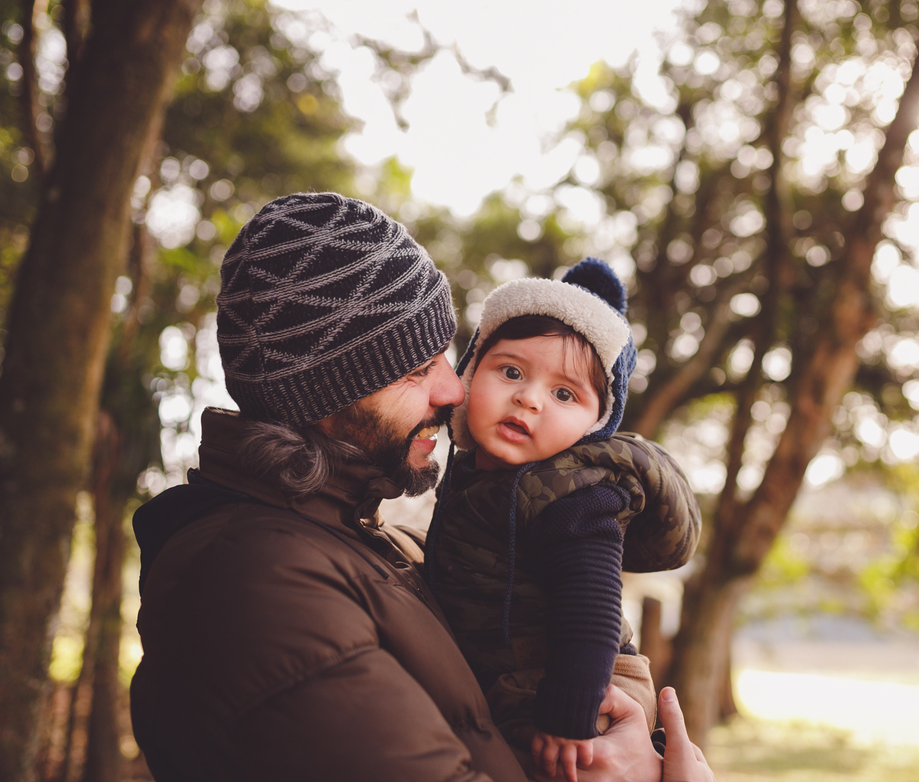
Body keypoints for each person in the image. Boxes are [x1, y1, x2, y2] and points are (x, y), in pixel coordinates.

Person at [129, 191, 713, 782]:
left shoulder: (369, 540)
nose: (453, 392)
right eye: (417, 370)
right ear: (327, 390)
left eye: (447, 359)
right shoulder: (255, 578)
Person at [427, 258, 700, 781]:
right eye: (511, 372)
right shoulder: (469, 479)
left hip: (585, 685)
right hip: (529, 678)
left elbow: (592, 606)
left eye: (564, 394)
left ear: (593, 424)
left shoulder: (571, 495)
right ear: (470, 371)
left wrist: (569, 712)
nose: (528, 398)